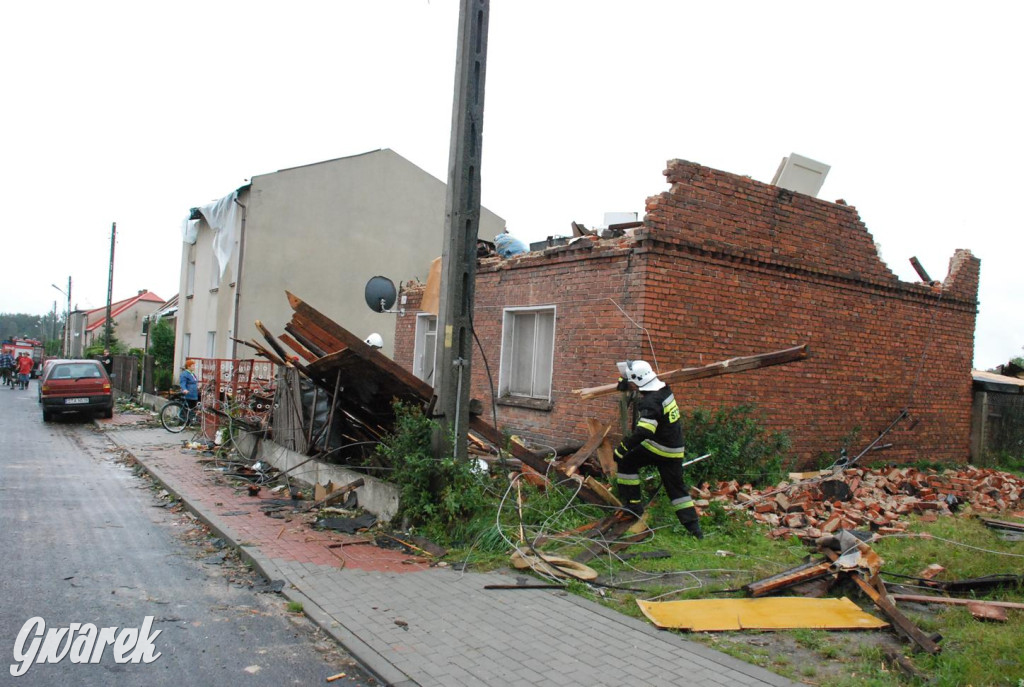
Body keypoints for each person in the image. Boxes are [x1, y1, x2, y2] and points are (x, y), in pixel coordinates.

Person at [612, 360, 704, 539]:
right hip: (675, 449)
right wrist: (624, 382)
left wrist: (622, 448)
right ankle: (695, 530)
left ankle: (633, 505)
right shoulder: (664, 390)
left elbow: (644, 432)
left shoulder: (650, 403)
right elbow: (638, 387)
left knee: (625, 461)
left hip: (658, 447)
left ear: (638, 381)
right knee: (677, 490)